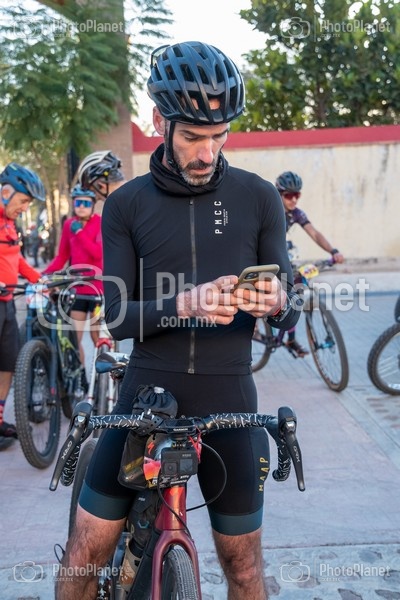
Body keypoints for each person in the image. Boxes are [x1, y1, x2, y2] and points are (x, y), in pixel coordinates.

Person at [56, 42, 302, 600]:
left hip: (229, 398)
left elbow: (288, 307)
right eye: (192, 136)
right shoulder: (126, 204)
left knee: (245, 571)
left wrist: (276, 300)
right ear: (159, 122)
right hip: (144, 395)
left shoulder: (260, 198)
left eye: (220, 136)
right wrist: (185, 304)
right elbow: (118, 316)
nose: (207, 152)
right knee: (83, 556)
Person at [0, 163, 46, 450]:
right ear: (6, 192)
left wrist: (40, 279)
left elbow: (15, 259)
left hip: (7, 303)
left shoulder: (9, 224)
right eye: (24, 200)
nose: (25, 208)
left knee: (8, 363)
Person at [276, 170, 345, 357]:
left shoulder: (295, 213)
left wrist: (333, 251)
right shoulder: (270, 209)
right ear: (279, 194)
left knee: (295, 290)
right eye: (289, 195)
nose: (294, 200)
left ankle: (290, 339)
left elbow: (314, 233)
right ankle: (255, 326)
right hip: (264, 253)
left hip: (282, 254)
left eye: (297, 195)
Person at [42, 185, 103, 382]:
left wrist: (80, 233)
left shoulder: (100, 223)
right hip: (77, 289)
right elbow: (62, 256)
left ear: (92, 205)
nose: (81, 206)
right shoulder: (69, 225)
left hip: (97, 289)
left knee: (97, 337)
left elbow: (97, 253)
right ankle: (82, 381)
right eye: (78, 203)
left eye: (86, 203)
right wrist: (43, 275)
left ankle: (102, 383)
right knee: (75, 340)